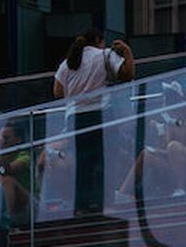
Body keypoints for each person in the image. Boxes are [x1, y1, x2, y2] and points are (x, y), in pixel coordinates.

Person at [51, 27, 134, 215]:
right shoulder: (104, 55)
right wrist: (127, 51)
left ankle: (81, 205)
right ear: (98, 40)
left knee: (82, 162)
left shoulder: (67, 63)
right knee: (105, 159)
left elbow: (57, 92)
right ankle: (103, 201)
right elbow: (127, 74)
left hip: (75, 118)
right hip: (101, 114)